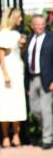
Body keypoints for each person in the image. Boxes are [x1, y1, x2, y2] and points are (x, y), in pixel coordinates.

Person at [0, 8, 27, 148]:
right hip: (6, 71)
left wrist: (22, 46)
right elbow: (1, 56)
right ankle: (6, 136)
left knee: (17, 102)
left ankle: (16, 135)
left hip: (17, 70)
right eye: (19, 17)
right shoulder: (3, 34)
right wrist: (6, 74)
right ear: (13, 18)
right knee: (5, 103)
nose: (21, 20)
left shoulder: (16, 33)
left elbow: (19, 53)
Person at [25, 15, 53, 150]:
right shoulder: (30, 39)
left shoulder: (51, 38)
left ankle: (47, 139)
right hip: (32, 78)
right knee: (35, 110)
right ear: (32, 25)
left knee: (45, 109)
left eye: (42, 24)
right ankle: (48, 130)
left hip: (47, 79)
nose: (40, 26)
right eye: (37, 24)